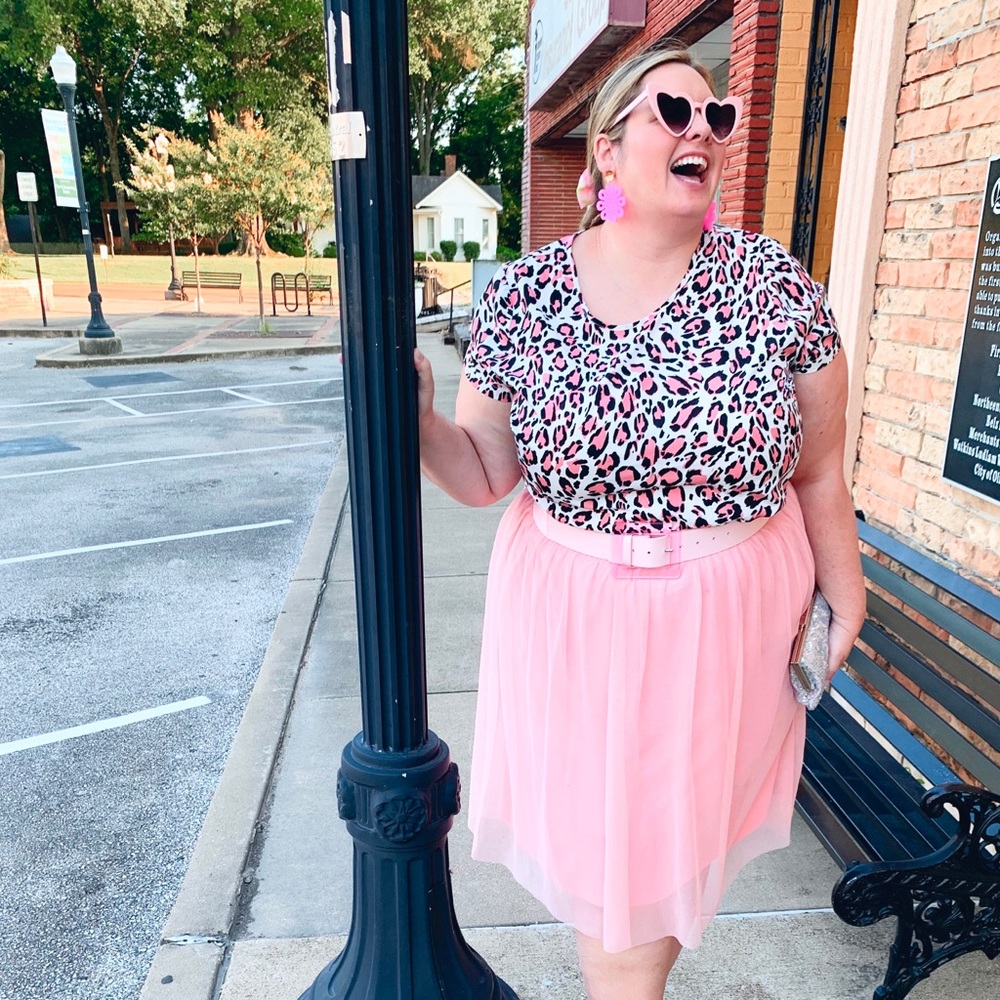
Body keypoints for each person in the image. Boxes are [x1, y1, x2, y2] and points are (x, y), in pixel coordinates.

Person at [415, 44, 866, 1000]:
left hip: (728, 625)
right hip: (577, 623)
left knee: (664, 860)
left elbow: (820, 469)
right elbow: (487, 467)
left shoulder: (776, 287)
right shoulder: (526, 296)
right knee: (612, 868)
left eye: (719, 117)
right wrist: (415, 418)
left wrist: (847, 593)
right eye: (675, 111)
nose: (702, 130)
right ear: (608, 153)